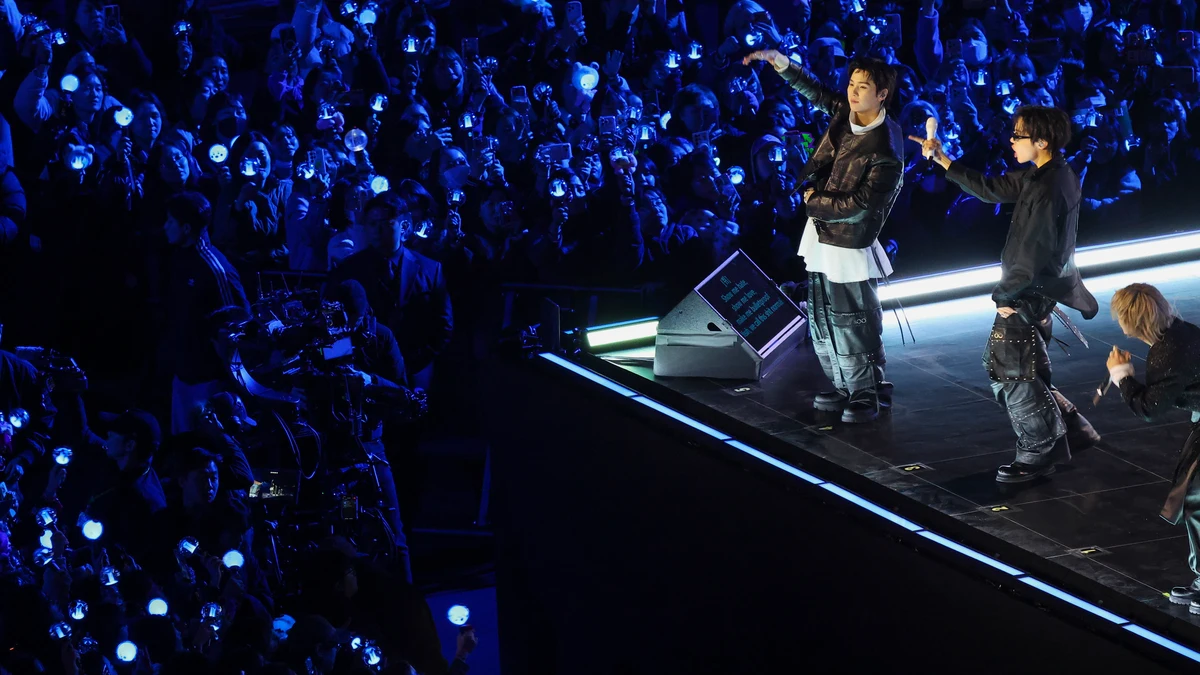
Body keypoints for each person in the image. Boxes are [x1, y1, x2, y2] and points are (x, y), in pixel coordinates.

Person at [913, 105, 1100, 483]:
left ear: (1041, 141)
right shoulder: (1048, 174)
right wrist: (942, 158)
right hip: (1036, 290)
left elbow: (1032, 251)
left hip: (1028, 293)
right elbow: (991, 189)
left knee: (1011, 371)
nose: (1011, 140)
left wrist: (1007, 297)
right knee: (1022, 368)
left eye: (1018, 135)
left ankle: (1039, 450)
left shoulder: (1049, 187)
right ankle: (1072, 427)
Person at [743, 49, 904, 423]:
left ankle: (867, 390)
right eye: (852, 84)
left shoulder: (886, 147)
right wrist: (781, 62)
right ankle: (845, 384)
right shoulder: (847, 115)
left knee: (854, 318)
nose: (853, 92)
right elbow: (817, 91)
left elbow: (862, 204)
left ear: (882, 94)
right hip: (821, 232)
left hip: (849, 240)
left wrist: (814, 200)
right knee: (822, 317)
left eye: (863, 87)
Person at [1105, 284, 1200, 612]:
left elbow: (1150, 408)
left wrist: (1122, 377)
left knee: (1196, 502)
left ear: (1131, 322)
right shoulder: (1181, 332)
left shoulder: (1167, 352)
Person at [326, 192, 453, 391]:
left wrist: (417, 360)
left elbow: (443, 325)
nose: (377, 230)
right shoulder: (348, 270)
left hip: (414, 369)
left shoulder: (430, 269)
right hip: (362, 371)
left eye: (386, 223)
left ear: (404, 226)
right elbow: (330, 325)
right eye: (372, 223)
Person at [163, 191, 251, 434]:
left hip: (208, 381)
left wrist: (227, 378)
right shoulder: (179, 258)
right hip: (183, 373)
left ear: (186, 228)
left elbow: (238, 323)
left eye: (170, 221)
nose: (165, 226)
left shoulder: (215, 268)